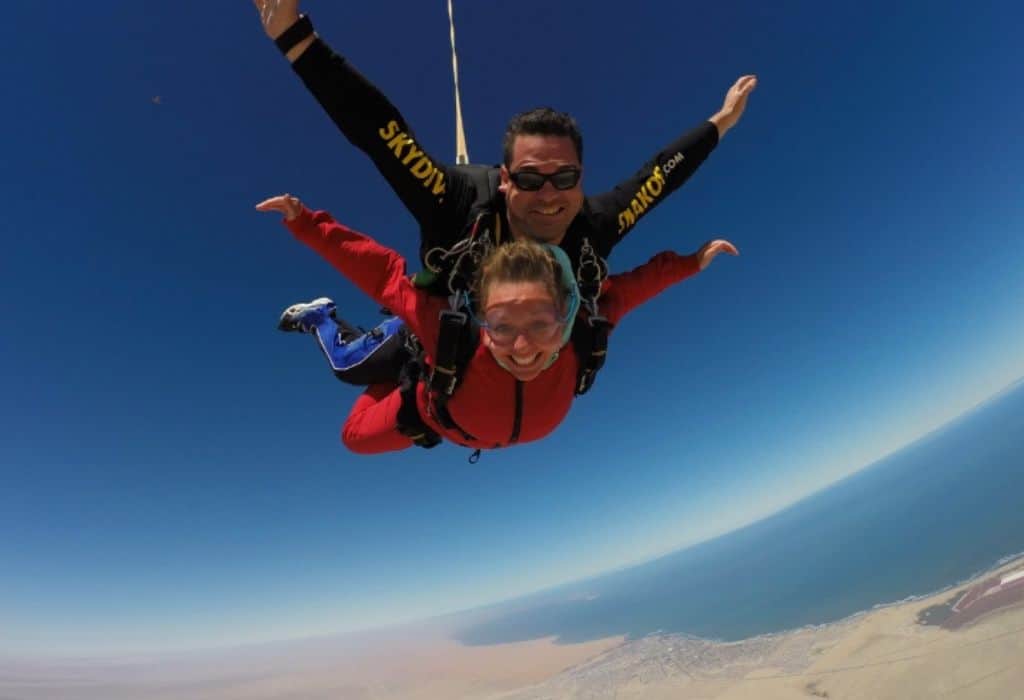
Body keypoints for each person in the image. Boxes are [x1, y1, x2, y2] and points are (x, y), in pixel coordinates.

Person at [252, 0, 756, 298]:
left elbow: (658, 178)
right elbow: (383, 135)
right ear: (506, 179)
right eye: (532, 179)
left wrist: (722, 122)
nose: (550, 195)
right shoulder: (455, 200)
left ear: (582, 178)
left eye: (565, 178)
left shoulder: (596, 223)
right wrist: (297, 42)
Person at [256, 194, 737, 456]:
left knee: (356, 434)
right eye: (503, 324)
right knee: (348, 378)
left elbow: (635, 286)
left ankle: (413, 364)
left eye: (542, 323)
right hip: (429, 371)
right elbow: (383, 275)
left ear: (566, 313)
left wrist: (692, 263)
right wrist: (307, 223)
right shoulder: (450, 325)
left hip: (439, 405)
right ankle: (329, 320)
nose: (524, 345)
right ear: (482, 317)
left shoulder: (587, 324)